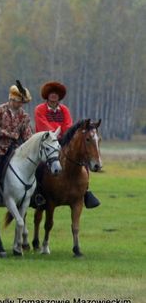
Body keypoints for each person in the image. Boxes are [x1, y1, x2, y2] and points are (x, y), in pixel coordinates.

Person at [34, 81, 100, 209]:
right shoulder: (39, 109)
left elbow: (68, 126)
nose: (54, 95)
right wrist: (57, 133)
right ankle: (38, 193)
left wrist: (63, 137)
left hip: (62, 142)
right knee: (39, 165)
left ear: (59, 96)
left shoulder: (64, 110)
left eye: (56, 93)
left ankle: (85, 191)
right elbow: (43, 126)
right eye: (51, 93)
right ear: (47, 95)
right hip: (45, 143)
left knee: (82, 162)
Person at [0, 81, 33, 177]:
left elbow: (27, 135)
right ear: (12, 99)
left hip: (16, 150)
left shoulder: (24, 116)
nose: (21, 104)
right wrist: (9, 134)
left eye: (22, 102)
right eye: (19, 101)